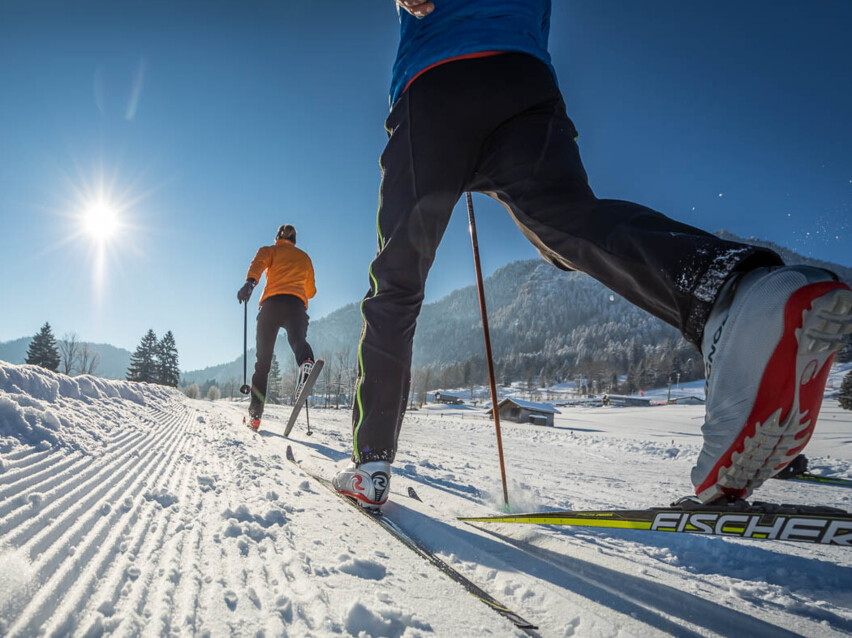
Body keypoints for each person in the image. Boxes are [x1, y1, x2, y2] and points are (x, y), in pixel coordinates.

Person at [332, 0, 852, 510]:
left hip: (436, 84)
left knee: (398, 280)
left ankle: (371, 462)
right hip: (523, 81)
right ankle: (738, 293)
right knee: (567, 224)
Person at [238, 224, 317, 429]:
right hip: (296, 306)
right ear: (295, 241)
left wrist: (250, 284)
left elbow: (258, 265)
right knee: (298, 340)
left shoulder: (270, 250)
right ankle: (306, 362)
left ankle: (255, 415)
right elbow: (311, 291)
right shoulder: (305, 258)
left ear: (277, 238)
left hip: (271, 306)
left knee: (262, 364)